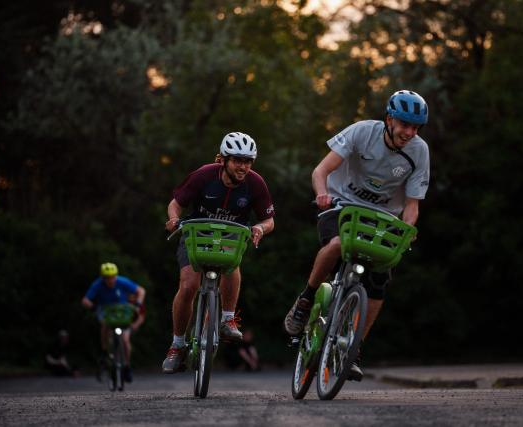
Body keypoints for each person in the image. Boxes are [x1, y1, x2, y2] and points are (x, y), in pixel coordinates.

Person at [283, 90, 430, 381]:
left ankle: (353, 348)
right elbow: (320, 170)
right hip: (340, 204)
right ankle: (306, 299)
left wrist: (409, 229)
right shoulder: (362, 132)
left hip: (382, 219)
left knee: (378, 284)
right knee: (336, 244)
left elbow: (412, 206)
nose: (409, 133)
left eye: (415, 127)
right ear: (389, 119)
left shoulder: (419, 151)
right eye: (404, 125)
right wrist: (322, 193)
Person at [162, 131, 275, 374]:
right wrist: (174, 219)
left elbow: (269, 220)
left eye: (247, 161)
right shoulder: (203, 176)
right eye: (237, 160)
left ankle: (227, 319)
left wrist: (259, 228)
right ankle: (177, 345)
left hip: (229, 238)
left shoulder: (256, 183)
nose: (243, 167)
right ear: (223, 160)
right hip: (196, 235)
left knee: (232, 266)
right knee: (188, 286)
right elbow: (176, 204)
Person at [81, 262, 146, 383]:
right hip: (106, 311)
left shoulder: (122, 281)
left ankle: (127, 365)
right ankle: (105, 350)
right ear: (103, 277)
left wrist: (137, 304)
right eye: (107, 277)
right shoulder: (97, 285)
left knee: (126, 340)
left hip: (122, 313)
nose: (111, 280)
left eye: (113, 277)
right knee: (105, 325)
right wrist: (93, 307)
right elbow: (85, 300)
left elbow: (141, 291)